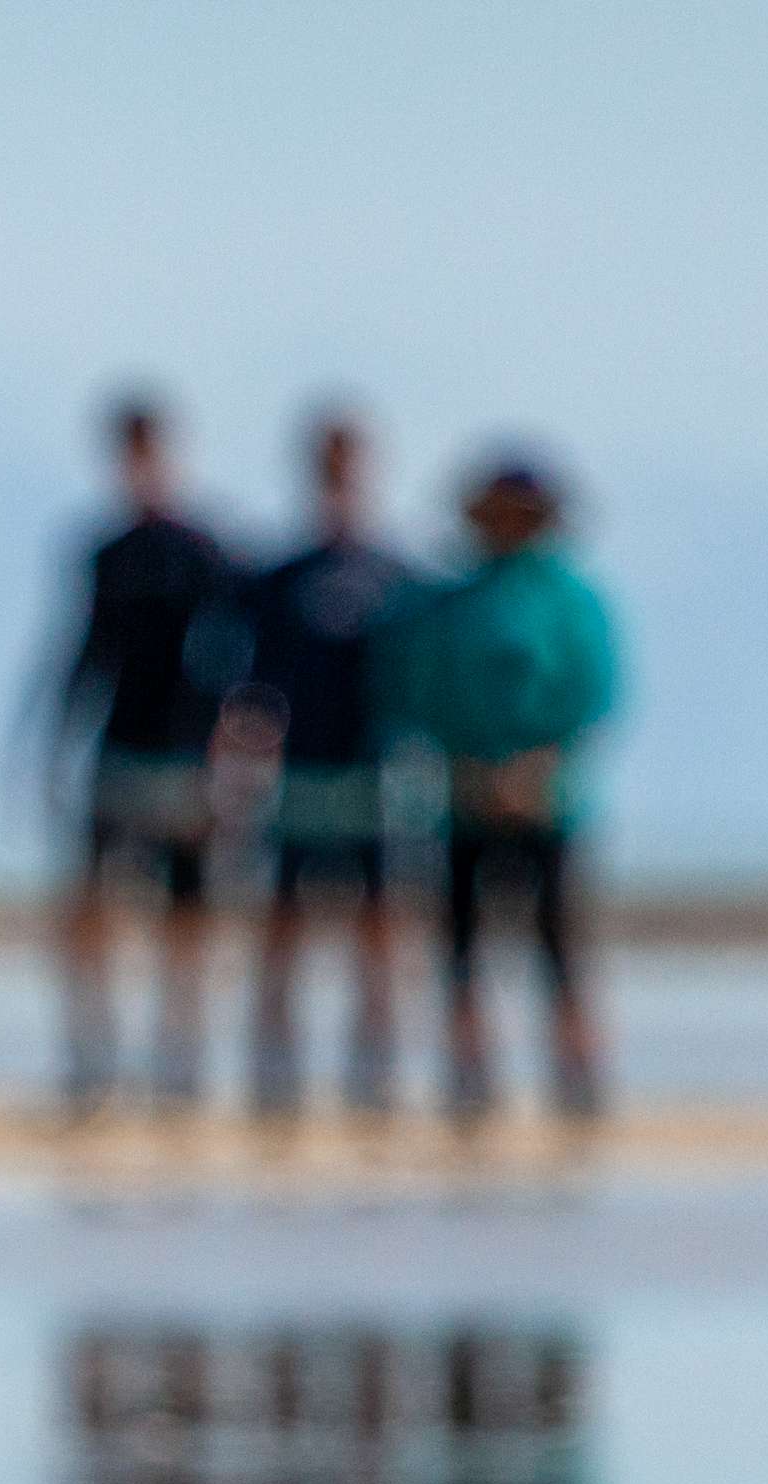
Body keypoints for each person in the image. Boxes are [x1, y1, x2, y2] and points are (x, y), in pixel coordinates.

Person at [390, 454, 620, 1122]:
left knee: (561, 946)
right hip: (463, 797)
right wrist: (465, 766)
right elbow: (416, 690)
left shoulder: (573, 599)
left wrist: (539, 767)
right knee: (460, 948)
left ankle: (577, 1072)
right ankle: (469, 1073)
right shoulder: (448, 601)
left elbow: (595, 691)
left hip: (550, 800)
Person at [39, 395, 237, 1116]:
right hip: (118, 754)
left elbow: (237, 663)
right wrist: (52, 742)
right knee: (90, 911)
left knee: (187, 914)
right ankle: (93, 1059)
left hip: (187, 760)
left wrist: (234, 755)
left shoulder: (208, 550)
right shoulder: (104, 551)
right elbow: (82, 653)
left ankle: (179, 1060)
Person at [230, 408, 417, 1119]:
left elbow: (416, 687)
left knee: (378, 932)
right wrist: (239, 760)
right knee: (281, 930)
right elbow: (247, 684)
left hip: (372, 780)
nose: (340, 477)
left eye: (350, 463)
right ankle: (273, 1078)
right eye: (328, 464)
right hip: (297, 781)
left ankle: (375, 1076)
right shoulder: (276, 578)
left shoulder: (398, 577)